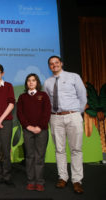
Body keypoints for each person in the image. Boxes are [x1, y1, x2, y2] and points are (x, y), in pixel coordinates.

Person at [44, 55, 87, 194]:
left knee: (76, 150)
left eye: (56, 62)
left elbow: (82, 96)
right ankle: (63, 177)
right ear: (49, 66)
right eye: (51, 63)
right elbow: (46, 102)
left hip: (73, 116)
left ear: (61, 63)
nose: (54, 65)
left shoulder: (74, 77)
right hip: (55, 118)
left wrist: (76, 113)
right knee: (59, 150)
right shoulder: (47, 82)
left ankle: (77, 180)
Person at [17, 73, 51, 192]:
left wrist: (40, 127)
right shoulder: (22, 97)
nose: (31, 82)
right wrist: (29, 127)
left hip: (42, 131)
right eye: (29, 81)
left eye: (33, 80)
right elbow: (20, 114)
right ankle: (31, 181)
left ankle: (40, 182)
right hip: (28, 131)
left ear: (37, 83)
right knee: (30, 156)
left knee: (39, 157)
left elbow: (46, 112)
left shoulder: (43, 95)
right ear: (26, 83)